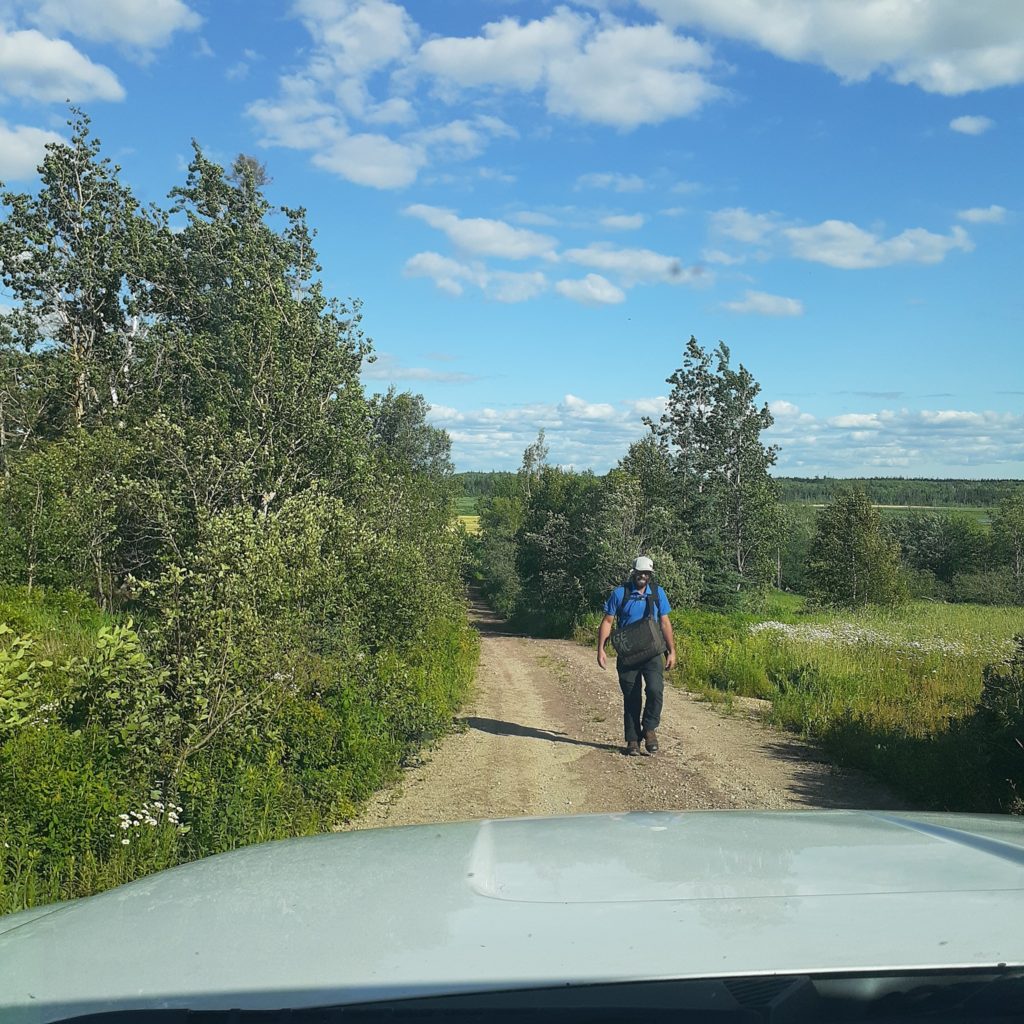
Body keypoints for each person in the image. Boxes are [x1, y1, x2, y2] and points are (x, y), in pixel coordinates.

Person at [597, 556, 676, 756]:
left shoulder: (658, 593)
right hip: (628, 654)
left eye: (647, 573)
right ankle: (633, 740)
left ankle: (649, 729)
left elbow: (665, 623)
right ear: (633, 572)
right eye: (640, 572)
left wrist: (672, 651)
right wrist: (601, 649)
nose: (643, 576)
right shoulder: (620, 593)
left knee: (655, 690)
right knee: (631, 697)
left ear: (650, 575)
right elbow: (607, 621)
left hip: (652, 652)